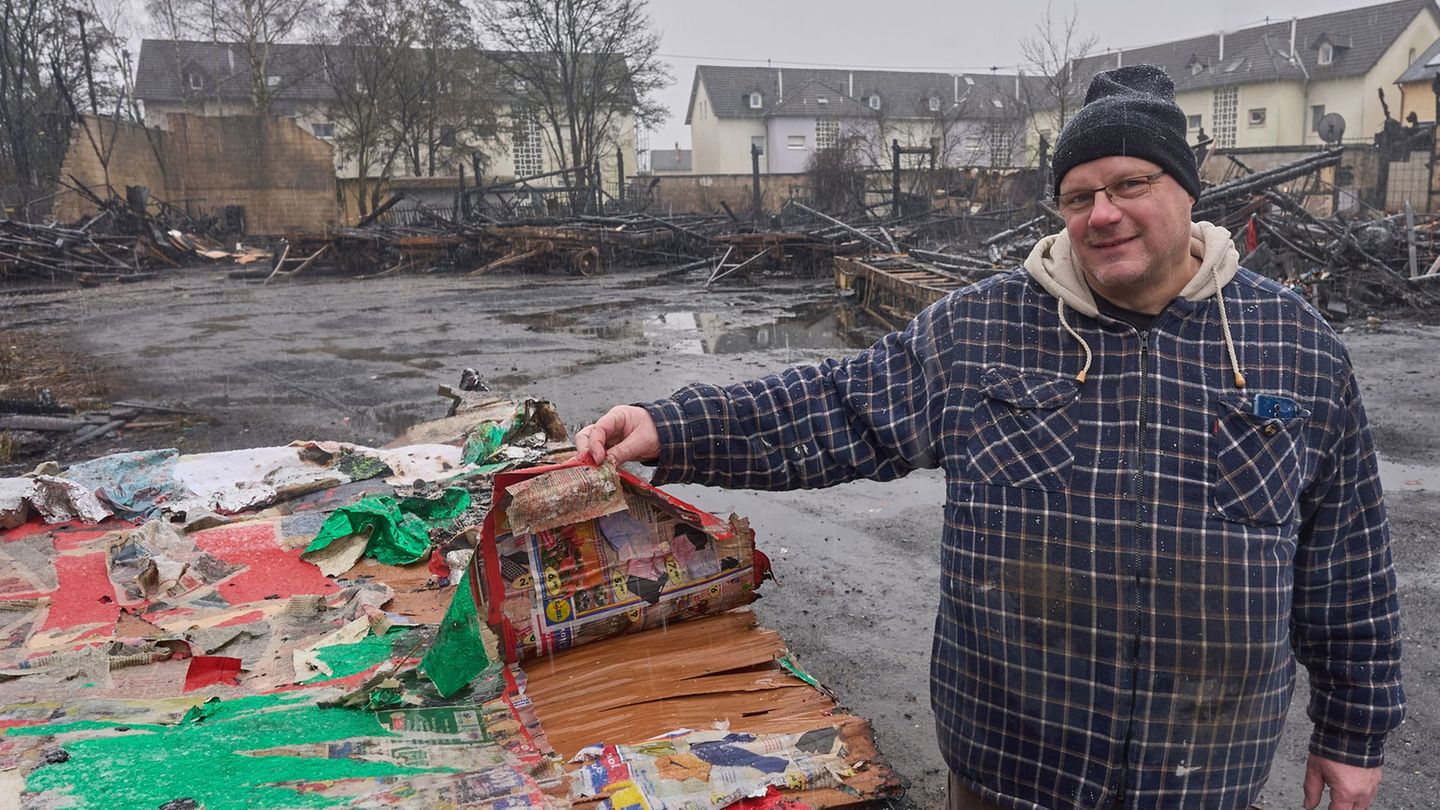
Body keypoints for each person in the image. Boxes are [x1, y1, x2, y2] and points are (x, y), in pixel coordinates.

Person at [573, 65, 1404, 810]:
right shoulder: (986, 329)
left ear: (1187, 190)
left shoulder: (1293, 346)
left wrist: (1352, 734)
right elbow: (838, 406)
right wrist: (671, 425)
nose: (1103, 214)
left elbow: (1347, 560)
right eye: (1078, 197)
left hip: (1206, 769)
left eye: (1129, 184)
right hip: (1011, 766)